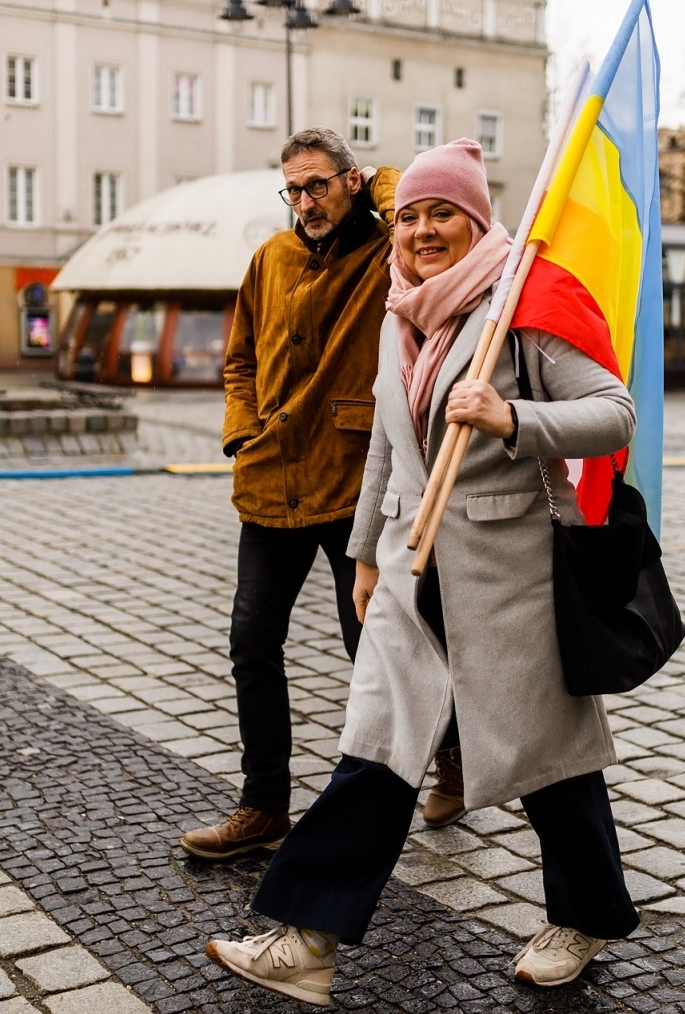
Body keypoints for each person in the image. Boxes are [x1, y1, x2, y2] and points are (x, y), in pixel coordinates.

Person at [205, 139, 640, 1005]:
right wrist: (367, 552)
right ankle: (308, 940)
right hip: (412, 566)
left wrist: (514, 416)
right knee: (375, 752)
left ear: (477, 219)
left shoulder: (522, 302)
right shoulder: (401, 313)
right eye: (410, 217)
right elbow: (384, 448)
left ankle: (583, 917)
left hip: (509, 571)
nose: (422, 230)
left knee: (548, 760)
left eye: (443, 213)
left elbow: (611, 409)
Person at [180, 129, 436, 860]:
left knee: (373, 649)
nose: (305, 201)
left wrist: (379, 180)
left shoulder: (386, 251)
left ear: (350, 182)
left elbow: (413, 214)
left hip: (353, 480)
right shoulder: (271, 257)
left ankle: (430, 760)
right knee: (251, 644)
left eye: (319, 184)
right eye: (293, 189)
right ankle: (263, 806)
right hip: (271, 479)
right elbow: (240, 361)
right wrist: (242, 434)